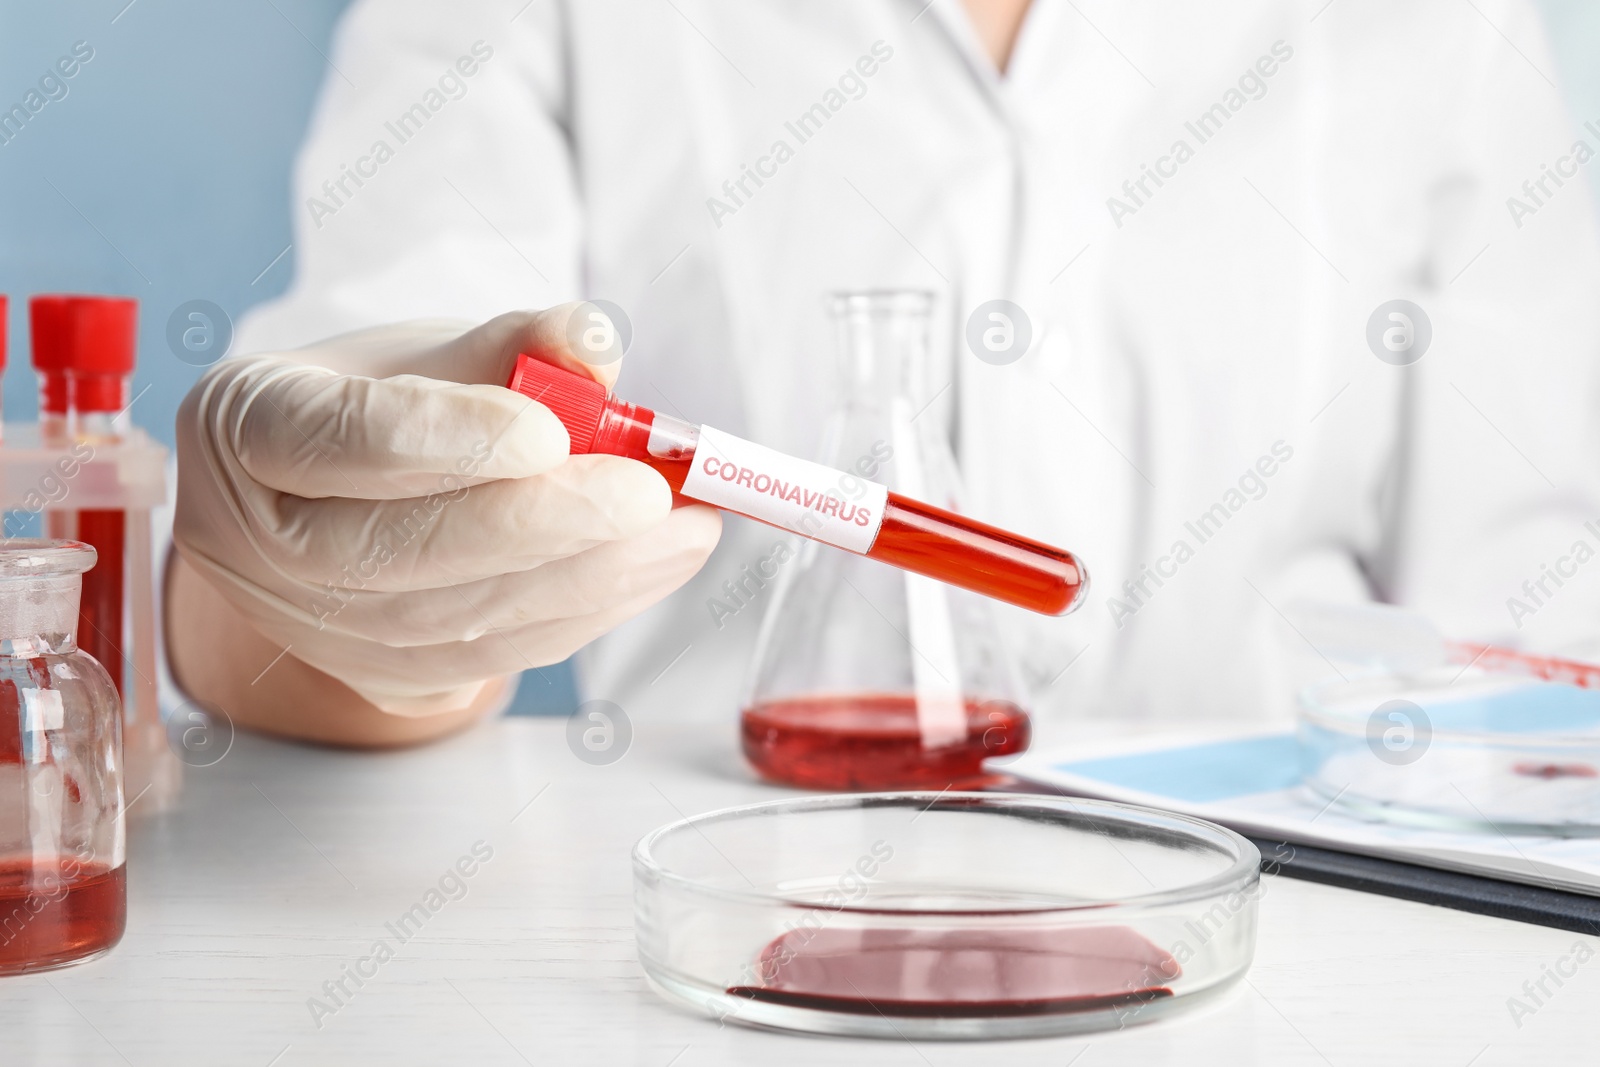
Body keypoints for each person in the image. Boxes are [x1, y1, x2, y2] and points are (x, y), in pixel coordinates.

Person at [168, 0, 1600, 746]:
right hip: (729, 926)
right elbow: (359, 499)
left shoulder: (1433, 28)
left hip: (1301, 940)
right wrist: (306, 574)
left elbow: (1540, 615)